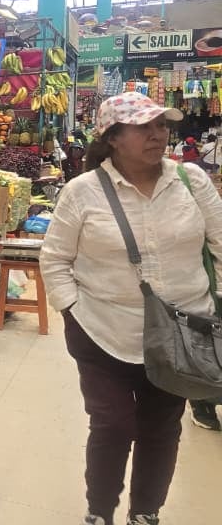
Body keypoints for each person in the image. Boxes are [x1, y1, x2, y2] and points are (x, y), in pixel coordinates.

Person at [40, 91, 222, 525]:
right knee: (113, 426)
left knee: (162, 427)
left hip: (182, 335)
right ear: (113, 138)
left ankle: (146, 513)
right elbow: (54, 258)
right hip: (103, 332)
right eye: (144, 127)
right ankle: (99, 511)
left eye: (162, 125)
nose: (158, 134)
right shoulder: (81, 192)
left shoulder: (191, 181)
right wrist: (71, 310)